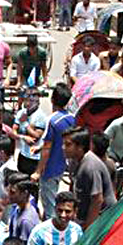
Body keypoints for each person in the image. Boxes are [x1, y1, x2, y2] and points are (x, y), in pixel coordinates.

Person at [33, 84, 75, 219]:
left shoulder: (52, 120)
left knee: (50, 206)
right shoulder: (71, 118)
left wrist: (38, 172)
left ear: (52, 99)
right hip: (62, 166)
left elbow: (47, 148)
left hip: (50, 169)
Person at [62, 127, 115, 228]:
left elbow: (97, 200)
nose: (63, 147)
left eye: (68, 145)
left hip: (102, 218)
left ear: (80, 147)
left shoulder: (90, 167)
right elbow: (73, 185)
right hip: (83, 211)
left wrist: (89, 229)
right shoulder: (73, 160)